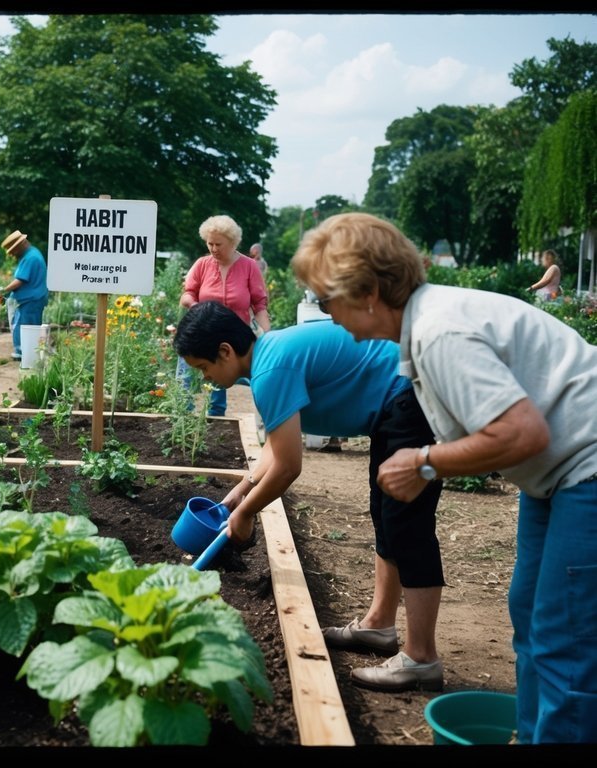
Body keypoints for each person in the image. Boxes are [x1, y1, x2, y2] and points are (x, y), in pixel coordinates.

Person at [292, 211, 597, 744]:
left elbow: (522, 434)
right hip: (557, 475)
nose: (325, 314)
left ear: (365, 293)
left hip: (585, 465)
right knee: (531, 614)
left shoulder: (439, 331)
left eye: (325, 299)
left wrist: (425, 461)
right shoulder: (423, 325)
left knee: (564, 638)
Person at [175, 300, 447, 693]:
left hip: (410, 391)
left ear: (225, 352)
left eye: (204, 369)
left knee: (408, 527)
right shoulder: (265, 360)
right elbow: (275, 446)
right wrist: (239, 493)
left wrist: (247, 514)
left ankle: (422, 658)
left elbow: (288, 466)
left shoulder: (269, 370)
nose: (206, 379)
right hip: (397, 399)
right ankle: (379, 626)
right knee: (387, 515)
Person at [178, 214, 270, 416]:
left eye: (218, 244)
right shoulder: (202, 264)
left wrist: (268, 336)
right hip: (203, 330)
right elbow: (187, 294)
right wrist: (196, 308)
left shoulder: (249, 267)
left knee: (227, 381)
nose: (213, 249)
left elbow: (259, 305)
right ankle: (182, 416)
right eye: (210, 244)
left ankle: (217, 418)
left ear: (233, 242)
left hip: (234, 337)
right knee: (186, 376)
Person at [0, 230, 49, 361]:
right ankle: (28, 354)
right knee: (29, 327)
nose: (13, 253)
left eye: (14, 250)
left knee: (26, 328)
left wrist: (4, 290)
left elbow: (20, 280)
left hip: (31, 300)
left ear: (20, 245)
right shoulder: (33, 254)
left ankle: (24, 354)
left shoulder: (30, 258)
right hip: (34, 298)